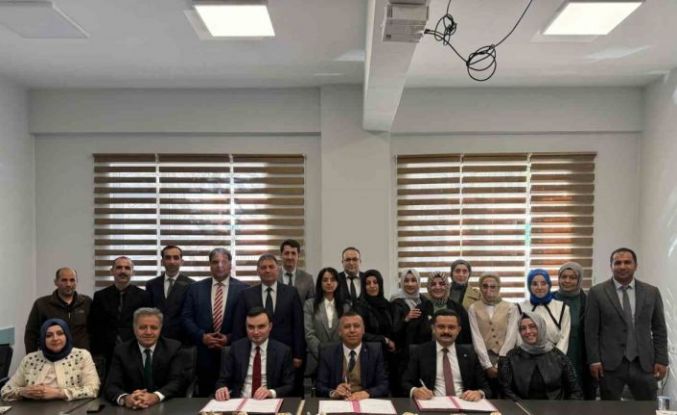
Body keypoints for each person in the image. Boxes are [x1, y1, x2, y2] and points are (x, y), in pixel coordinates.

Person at [585, 247, 668, 401]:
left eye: (627, 262)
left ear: (636, 265)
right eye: (617, 263)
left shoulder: (651, 292)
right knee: (610, 409)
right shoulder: (597, 292)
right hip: (609, 365)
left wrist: (661, 359)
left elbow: (659, 329)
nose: (622, 266)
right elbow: (591, 331)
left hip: (644, 363)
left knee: (647, 408)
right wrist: (594, 360)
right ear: (611, 266)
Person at [232, 254, 305, 396]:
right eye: (263, 267)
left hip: (285, 352)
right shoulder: (246, 294)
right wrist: (237, 353)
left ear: (278, 269)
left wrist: (298, 354)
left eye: (271, 267)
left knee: (283, 389)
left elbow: (298, 325)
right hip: (255, 350)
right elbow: (239, 326)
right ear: (258, 271)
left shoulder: (291, 292)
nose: (267, 270)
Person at [181, 248, 247, 396]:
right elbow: (186, 318)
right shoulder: (195, 289)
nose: (220, 265)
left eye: (224, 261)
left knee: (230, 397)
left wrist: (229, 338)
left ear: (230, 264)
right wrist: (201, 336)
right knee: (205, 397)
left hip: (232, 353)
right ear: (210, 265)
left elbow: (246, 321)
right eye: (215, 262)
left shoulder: (244, 290)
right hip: (203, 354)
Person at [104, 308, 189, 409]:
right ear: (134, 328)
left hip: (166, 407)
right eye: (143, 327)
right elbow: (111, 386)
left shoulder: (173, 348)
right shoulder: (122, 351)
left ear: (160, 328)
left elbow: (177, 382)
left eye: (154, 327)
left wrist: (155, 396)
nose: (148, 332)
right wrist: (126, 399)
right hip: (132, 409)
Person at [1, 319, 99, 401]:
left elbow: (93, 389)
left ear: (67, 336)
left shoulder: (81, 356)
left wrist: (59, 393)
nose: (55, 338)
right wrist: (23, 392)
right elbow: (5, 391)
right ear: (43, 339)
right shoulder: (30, 359)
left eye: (60, 333)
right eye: (48, 335)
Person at [402, 309, 491, 400]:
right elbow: (405, 383)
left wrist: (479, 393)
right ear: (433, 328)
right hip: (431, 403)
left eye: (451, 327)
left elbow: (486, 388)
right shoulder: (420, 352)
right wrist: (415, 391)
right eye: (441, 327)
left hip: (464, 403)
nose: (446, 331)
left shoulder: (469, 354)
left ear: (458, 330)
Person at [499, 311, 582, 400]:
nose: (528, 331)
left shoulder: (559, 356)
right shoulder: (511, 357)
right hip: (522, 407)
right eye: (523, 328)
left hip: (555, 407)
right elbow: (506, 390)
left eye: (532, 326)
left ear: (541, 327)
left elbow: (575, 391)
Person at [215, 307, 294, 400]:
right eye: (251, 327)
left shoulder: (283, 351)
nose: (256, 332)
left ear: (270, 326)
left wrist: (271, 392)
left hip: (268, 402)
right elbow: (222, 381)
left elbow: (289, 386)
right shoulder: (236, 348)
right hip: (240, 402)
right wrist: (221, 389)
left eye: (261, 327)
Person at [89, 257, 150, 368]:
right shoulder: (100, 296)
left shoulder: (144, 296)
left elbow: (147, 324)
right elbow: (94, 326)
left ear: (133, 272)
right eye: (119, 267)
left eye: (127, 268)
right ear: (112, 271)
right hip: (106, 352)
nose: (123, 271)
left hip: (135, 349)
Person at [315, 311, 388, 400]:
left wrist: (367, 393)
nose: (352, 330)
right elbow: (320, 386)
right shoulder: (327, 352)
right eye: (346, 327)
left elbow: (384, 385)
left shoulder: (375, 351)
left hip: (365, 402)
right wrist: (334, 393)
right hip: (338, 402)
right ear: (339, 332)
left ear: (363, 330)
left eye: (356, 326)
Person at [467, 273, 519, 397]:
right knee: (486, 395)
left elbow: (511, 336)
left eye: (493, 286)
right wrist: (487, 365)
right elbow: (476, 337)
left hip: (506, 359)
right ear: (480, 287)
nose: (488, 289)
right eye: (485, 286)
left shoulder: (511, 307)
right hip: (482, 359)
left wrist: (500, 362)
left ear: (499, 288)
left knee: (506, 395)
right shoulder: (473, 308)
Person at [553, 262, 596, 399]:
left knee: (579, 396)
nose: (567, 281)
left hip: (579, 356)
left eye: (572, 277)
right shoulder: (548, 299)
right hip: (552, 357)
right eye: (563, 277)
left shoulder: (588, 301)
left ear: (579, 280)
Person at [24, 267, 92, 353]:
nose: (68, 284)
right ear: (56, 282)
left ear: (76, 282)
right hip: (52, 357)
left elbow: (95, 331)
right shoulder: (41, 304)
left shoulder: (86, 302)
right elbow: (31, 334)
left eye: (72, 280)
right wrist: (31, 357)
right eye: (64, 280)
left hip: (81, 356)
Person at [352, 269, 398, 394]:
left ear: (380, 284)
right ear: (363, 286)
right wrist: (384, 340)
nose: (372, 286)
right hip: (368, 355)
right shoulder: (359, 306)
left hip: (388, 357)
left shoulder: (387, 305)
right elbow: (359, 333)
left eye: (375, 282)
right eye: (368, 283)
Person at [506, 269, 570, 353]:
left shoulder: (562, 308)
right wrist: (503, 358)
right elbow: (511, 337)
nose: (539, 287)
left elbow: (564, 338)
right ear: (529, 286)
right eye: (535, 284)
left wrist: (556, 357)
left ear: (549, 285)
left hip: (553, 357)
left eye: (543, 283)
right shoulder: (519, 308)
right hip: (525, 357)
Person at [303, 267, 350, 377]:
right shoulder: (310, 304)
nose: (329, 283)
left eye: (332, 279)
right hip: (316, 359)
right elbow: (309, 333)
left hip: (340, 358)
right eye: (325, 280)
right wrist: (324, 354)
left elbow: (346, 333)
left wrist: (336, 355)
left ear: (338, 283)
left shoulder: (345, 306)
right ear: (320, 283)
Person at [145, 245, 194, 343]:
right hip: (156, 338)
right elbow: (149, 313)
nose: (172, 261)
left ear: (181, 261)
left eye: (176, 258)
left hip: (182, 340)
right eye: (168, 258)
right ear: (162, 261)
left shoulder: (192, 285)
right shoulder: (151, 284)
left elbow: (190, 315)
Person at [391, 269, 427, 395]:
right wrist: (406, 319)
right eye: (406, 281)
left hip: (422, 353)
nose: (410, 284)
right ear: (401, 283)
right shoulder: (396, 302)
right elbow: (394, 331)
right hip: (403, 355)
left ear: (419, 283)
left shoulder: (424, 300)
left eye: (413, 280)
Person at [415, 272, 471, 345]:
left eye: (441, 284)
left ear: (447, 286)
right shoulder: (420, 309)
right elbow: (413, 338)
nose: (437, 287)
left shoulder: (458, 309)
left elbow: (466, 337)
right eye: (433, 284)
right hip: (426, 351)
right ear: (428, 287)